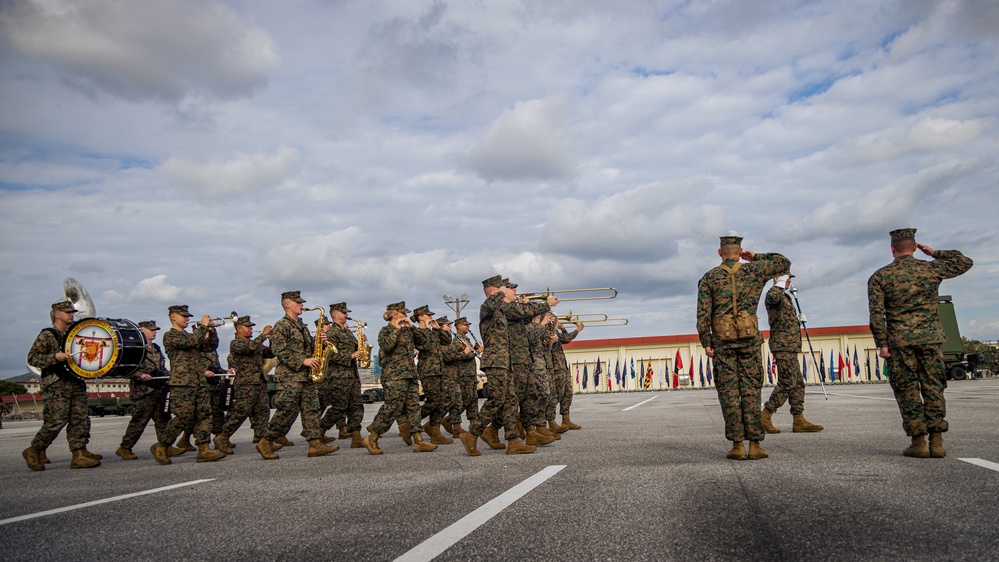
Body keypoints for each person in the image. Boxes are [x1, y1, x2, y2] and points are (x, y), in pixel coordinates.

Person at [868, 228, 972, 458]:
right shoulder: (931, 269)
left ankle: (918, 442)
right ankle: (937, 441)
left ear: (892, 248)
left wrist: (882, 344)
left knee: (907, 390)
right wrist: (935, 252)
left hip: (900, 342)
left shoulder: (880, 276)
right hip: (931, 339)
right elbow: (965, 262)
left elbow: (877, 316)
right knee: (933, 387)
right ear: (915, 247)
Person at [697, 236, 790, 461]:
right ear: (740, 252)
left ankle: (737, 445)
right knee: (751, 391)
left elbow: (702, 315)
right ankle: (755, 445)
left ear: (720, 253)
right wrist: (755, 257)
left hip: (722, 342)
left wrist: (707, 342)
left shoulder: (709, 278)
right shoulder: (754, 271)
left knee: (729, 393)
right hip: (749, 341)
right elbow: (783, 263)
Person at [459, 275, 556, 456]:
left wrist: (531, 305)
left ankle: (513, 442)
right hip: (495, 361)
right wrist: (545, 304)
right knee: (497, 399)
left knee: (511, 401)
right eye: (503, 288)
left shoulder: (501, 310)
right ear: (492, 291)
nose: (511, 290)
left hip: (506, 361)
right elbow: (494, 305)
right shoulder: (487, 307)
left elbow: (519, 314)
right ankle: (472, 434)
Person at [255, 292, 338, 460]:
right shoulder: (282, 325)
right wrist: (303, 361)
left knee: (312, 408)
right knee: (286, 410)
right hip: (290, 376)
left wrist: (319, 342)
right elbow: (279, 350)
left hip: (306, 376)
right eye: (298, 302)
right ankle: (266, 441)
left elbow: (307, 348)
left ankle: (314, 444)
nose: (302, 305)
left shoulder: (301, 325)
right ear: (287, 305)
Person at [23, 300, 101, 470]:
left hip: (75, 381)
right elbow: (32, 358)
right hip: (57, 383)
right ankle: (34, 449)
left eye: (72, 312)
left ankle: (79, 453)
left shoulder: (73, 335)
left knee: (79, 419)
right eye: (67, 312)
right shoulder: (47, 335)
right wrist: (54, 357)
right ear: (57, 314)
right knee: (56, 421)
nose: (71, 315)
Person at [150, 305, 226, 464]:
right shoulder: (170, 336)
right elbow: (190, 341)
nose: (187, 319)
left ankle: (204, 449)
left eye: (187, 316)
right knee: (183, 417)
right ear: (173, 317)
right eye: (183, 316)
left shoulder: (193, 335)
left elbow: (209, 346)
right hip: (182, 383)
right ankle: (162, 445)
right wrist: (203, 326)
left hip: (199, 381)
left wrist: (211, 330)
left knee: (205, 415)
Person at [362, 301, 437, 454]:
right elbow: (387, 346)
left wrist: (413, 328)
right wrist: (396, 329)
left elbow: (424, 343)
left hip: (410, 374)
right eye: (403, 313)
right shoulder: (385, 331)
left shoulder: (407, 331)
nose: (406, 316)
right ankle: (373, 437)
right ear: (394, 315)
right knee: (392, 407)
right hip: (394, 376)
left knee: (414, 407)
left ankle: (419, 441)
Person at [761, 274, 823, 434]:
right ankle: (765, 415)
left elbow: (783, 318)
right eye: (786, 279)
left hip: (791, 346)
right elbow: (772, 297)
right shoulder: (773, 294)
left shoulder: (786, 297)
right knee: (787, 382)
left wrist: (797, 320)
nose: (789, 282)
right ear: (777, 279)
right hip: (782, 346)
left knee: (797, 383)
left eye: (789, 279)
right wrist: (778, 284)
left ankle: (799, 419)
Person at [116, 320, 178, 460]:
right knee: (139, 421)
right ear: (141, 331)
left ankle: (165, 446)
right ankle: (125, 447)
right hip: (143, 391)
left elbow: (161, 367)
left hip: (157, 388)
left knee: (163, 419)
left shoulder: (155, 348)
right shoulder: (135, 348)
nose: (154, 332)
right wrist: (140, 375)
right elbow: (126, 369)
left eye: (155, 330)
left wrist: (170, 377)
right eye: (151, 330)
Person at [213, 316, 273, 454]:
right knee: (241, 412)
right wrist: (263, 334)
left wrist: (272, 340)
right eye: (248, 326)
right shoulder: (236, 343)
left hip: (259, 382)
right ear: (239, 329)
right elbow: (250, 348)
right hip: (246, 384)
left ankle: (263, 440)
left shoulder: (254, 343)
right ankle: (222, 437)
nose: (251, 329)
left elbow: (269, 353)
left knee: (262, 411)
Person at [321, 302, 366, 449]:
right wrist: (350, 355)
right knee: (339, 408)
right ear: (334, 314)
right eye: (343, 312)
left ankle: (356, 436)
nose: (347, 315)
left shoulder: (347, 332)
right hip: (338, 376)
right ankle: (319, 430)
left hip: (352, 374)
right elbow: (329, 356)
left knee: (356, 405)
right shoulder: (331, 333)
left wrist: (361, 343)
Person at [412, 305, 452, 445]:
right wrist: (429, 329)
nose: (431, 317)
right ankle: (412, 423)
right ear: (420, 317)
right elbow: (425, 345)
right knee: (433, 401)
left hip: (439, 370)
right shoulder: (416, 332)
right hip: (428, 371)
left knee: (444, 400)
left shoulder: (433, 332)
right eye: (428, 315)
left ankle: (434, 429)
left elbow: (447, 340)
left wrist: (438, 329)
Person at [441, 316, 476, 436]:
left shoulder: (464, 338)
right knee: (462, 400)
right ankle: (450, 421)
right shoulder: (456, 340)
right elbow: (451, 357)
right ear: (459, 326)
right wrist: (469, 353)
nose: (468, 327)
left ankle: (473, 424)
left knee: (471, 399)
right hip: (462, 373)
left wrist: (475, 350)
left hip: (469, 373)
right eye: (465, 325)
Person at [551, 319, 584, 430]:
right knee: (557, 395)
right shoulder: (549, 331)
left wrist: (563, 329)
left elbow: (564, 340)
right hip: (555, 368)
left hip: (562, 367)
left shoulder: (555, 331)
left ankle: (566, 420)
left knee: (567, 393)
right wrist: (577, 330)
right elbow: (566, 338)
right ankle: (550, 422)